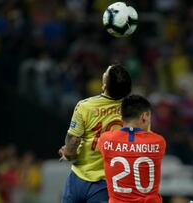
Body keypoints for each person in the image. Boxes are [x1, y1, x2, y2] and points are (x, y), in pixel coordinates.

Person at [58, 64, 132, 203]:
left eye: (106, 72)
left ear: (104, 85)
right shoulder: (131, 111)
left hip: (78, 178)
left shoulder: (85, 106)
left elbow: (73, 141)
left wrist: (67, 153)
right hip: (106, 184)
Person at [98, 95, 166, 203]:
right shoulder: (158, 142)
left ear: (121, 115)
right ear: (144, 116)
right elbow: (144, 138)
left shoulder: (105, 139)